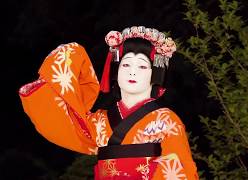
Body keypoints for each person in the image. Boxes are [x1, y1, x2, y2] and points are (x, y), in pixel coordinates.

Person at [19, 26, 198, 179]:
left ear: (155, 74)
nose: (132, 72)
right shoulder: (99, 122)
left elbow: (182, 171)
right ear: (116, 70)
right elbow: (62, 122)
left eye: (142, 66)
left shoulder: (167, 122)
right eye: (126, 65)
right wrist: (69, 56)